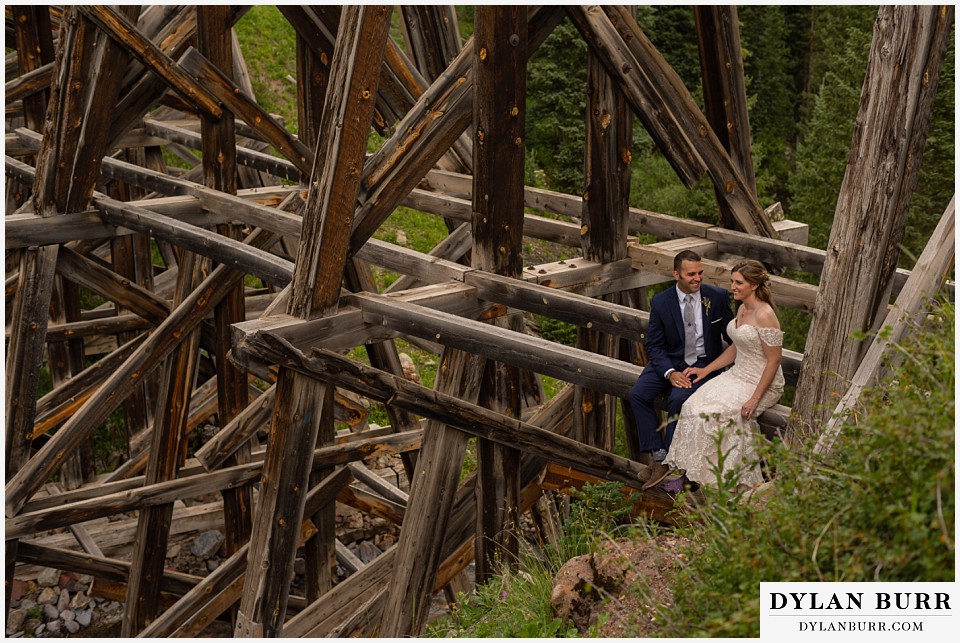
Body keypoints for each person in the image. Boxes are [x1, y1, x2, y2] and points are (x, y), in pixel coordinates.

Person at [652, 259, 785, 492]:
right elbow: (737, 347)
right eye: (732, 281)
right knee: (693, 405)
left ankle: (729, 482)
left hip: (762, 381)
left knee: (720, 414)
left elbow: (774, 360)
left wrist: (754, 398)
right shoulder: (743, 307)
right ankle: (691, 476)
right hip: (737, 374)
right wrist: (706, 370)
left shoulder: (765, 314)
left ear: (754, 285)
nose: (732, 286)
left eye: (738, 282)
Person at [628, 250, 734, 474]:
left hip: (704, 364)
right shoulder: (660, 302)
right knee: (638, 394)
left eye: (700, 273)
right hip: (670, 361)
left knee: (678, 399)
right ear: (676, 275)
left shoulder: (717, 297)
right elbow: (654, 345)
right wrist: (669, 372)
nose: (697, 278)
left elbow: (732, 336)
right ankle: (657, 452)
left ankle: (670, 460)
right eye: (691, 274)